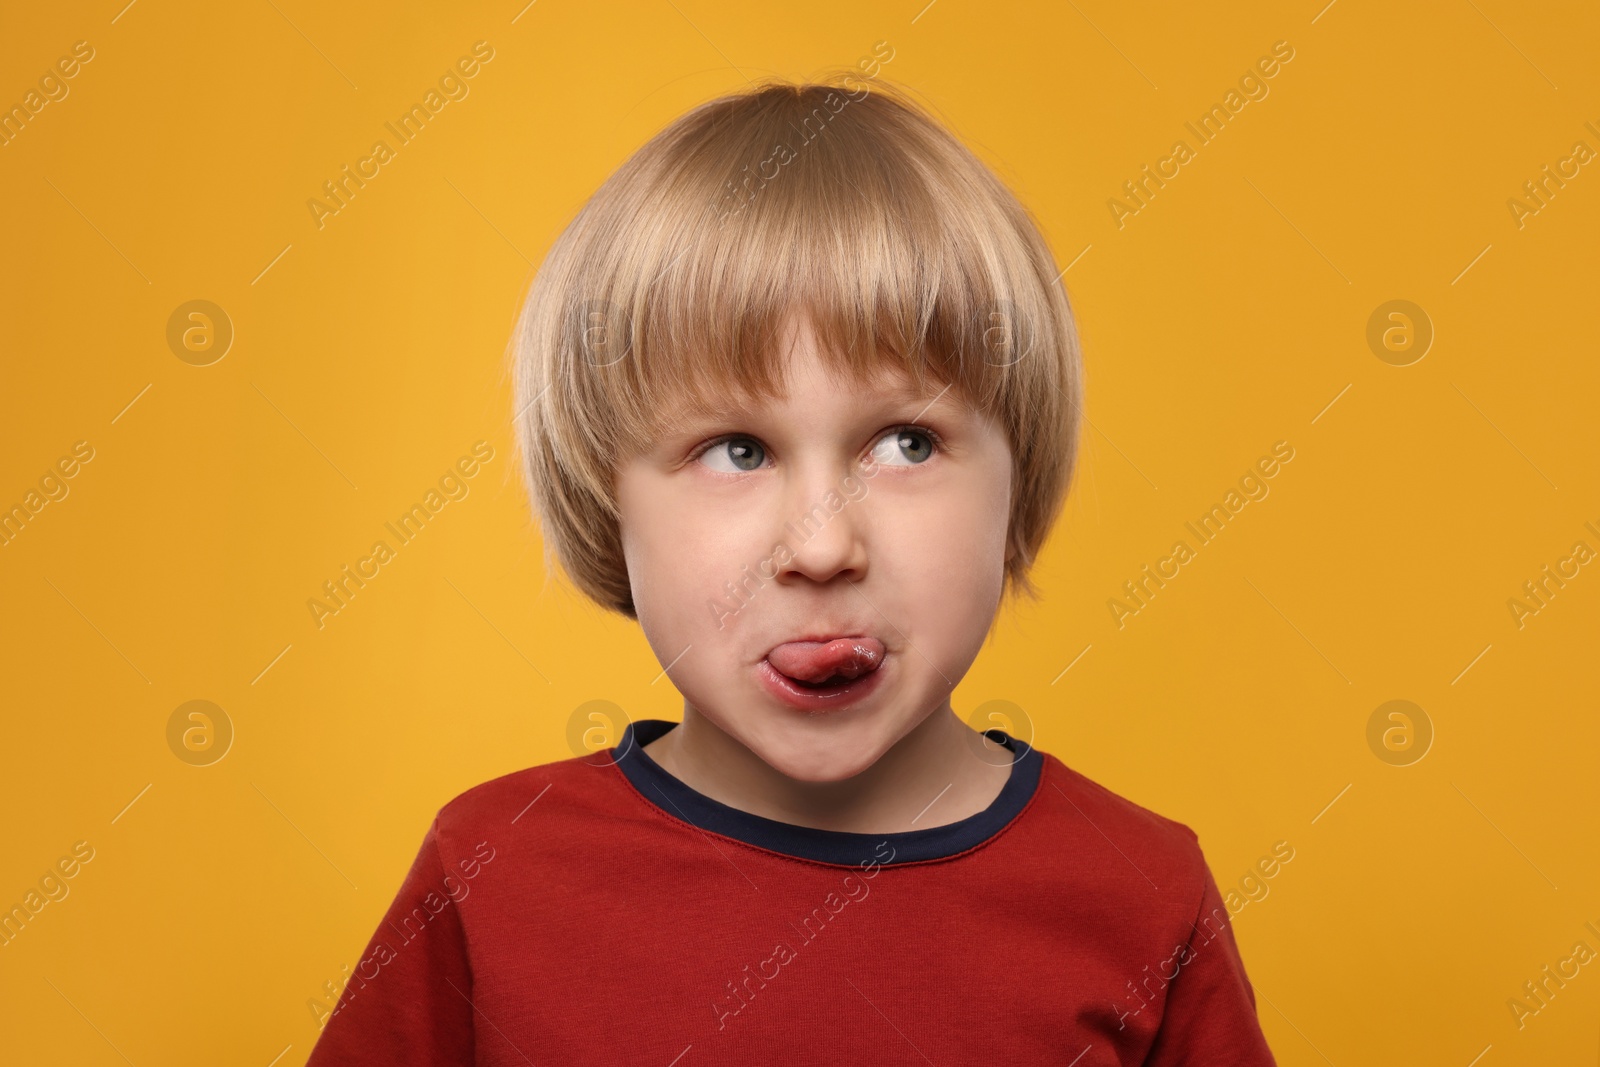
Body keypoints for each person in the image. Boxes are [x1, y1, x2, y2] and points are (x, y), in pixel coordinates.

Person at [305, 75, 1278, 1065]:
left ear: (1017, 473)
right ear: (607, 500)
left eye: (905, 442)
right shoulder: (495, 868)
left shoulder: (1139, 891)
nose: (820, 548)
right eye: (735, 449)